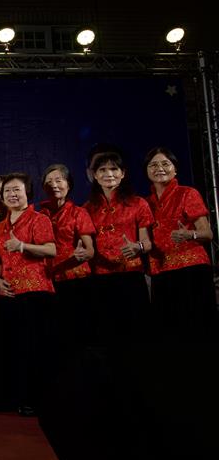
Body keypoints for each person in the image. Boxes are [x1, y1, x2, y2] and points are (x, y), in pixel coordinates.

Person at [0, 173, 56, 416]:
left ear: (27, 192)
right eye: (7, 191)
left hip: (35, 291)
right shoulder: (1, 225)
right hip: (9, 292)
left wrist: (22, 246)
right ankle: (18, 398)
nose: (12, 194)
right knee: (14, 347)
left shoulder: (39, 219)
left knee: (35, 348)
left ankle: (37, 399)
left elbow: (51, 249)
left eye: (17, 190)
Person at [83, 151, 154, 347]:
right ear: (95, 175)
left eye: (114, 169)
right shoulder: (87, 208)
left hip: (131, 274)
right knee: (107, 335)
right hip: (100, 278)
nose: (109, 174)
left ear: (123, 173)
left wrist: (138, 247)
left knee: (135, 333)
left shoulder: (138, 203)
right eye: (102, 170)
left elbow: (147, 242)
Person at [144, 146, 215, 331]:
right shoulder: (145, 203)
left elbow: (208, 233)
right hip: (160, 270)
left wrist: (189, 234)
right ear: (147, 171)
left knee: (196, 327)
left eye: (165, 164)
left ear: (175, 169)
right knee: (168, 330)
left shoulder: (187, 193)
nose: (159, 168)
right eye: (153, 165)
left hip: (191, 269)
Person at [39, 163, 96, 355]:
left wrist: (81, 255)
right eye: (49, 181)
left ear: (68, 185)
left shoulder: (79, 213)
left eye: (59, 180)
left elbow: (90, 250)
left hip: (76, 280)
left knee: (79, 334)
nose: (54, 185)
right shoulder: (39, 215)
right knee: (54, 336)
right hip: (48, 280)